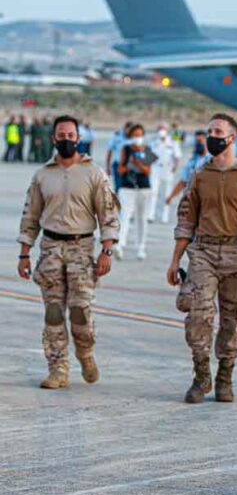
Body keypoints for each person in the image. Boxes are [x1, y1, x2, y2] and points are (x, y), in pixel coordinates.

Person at [166, 112, 237, 404]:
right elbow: (186, 220)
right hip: (203, 252)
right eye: (209, 131)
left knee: (232, 318)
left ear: (232, 137)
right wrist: (176, 260)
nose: (212, 136)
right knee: (199, 315)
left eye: (218, 131)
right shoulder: (200, 175)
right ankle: (201, 375)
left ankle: (225, 375)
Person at [17, 115, 119, 389]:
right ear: (54, 138)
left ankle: (85, 354)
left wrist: (107, 250)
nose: (66, 140)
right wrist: (24, 254)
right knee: (52, 312)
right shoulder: (42, 175)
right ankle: (58, 369)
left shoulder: (94, 173)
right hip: (50, 249)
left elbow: (108, 214)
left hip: (82, 249)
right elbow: (30, 217)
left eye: (70, 135)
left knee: (79, 312)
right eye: (61, 135)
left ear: (79, 138)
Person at [116, 124, 153, 261]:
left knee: (142, 218)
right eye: (134, 135)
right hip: (127, 187)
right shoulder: (125, 149)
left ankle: (141, 247)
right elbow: (120, 170)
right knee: (124, 215)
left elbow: (148, 171)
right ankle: (119, 245)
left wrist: (137, 163)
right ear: (130, 137)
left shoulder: (148, 149)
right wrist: (128, 164)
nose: (137, 138)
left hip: (143, 188)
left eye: (139, 135)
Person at [148, 123, 182, 224]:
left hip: (168, 169)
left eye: (163, 128)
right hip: (155, 168)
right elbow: (149, 155)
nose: (161, 130)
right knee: (153, 192)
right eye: (160, 128)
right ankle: (150, 215)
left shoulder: (173, 142)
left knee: (167, 193)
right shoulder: (153, 142)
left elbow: (177, 156)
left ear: (167, 130)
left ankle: (165, 216)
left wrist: (175, 167)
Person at [166, 130, 208, 205]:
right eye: (196, 141)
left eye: (200, 141)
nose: (197, 144)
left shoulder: (212, 160)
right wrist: (171, 197)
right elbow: (183, 181)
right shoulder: (192, 161)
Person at [104, 122, 133, 193]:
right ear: (125, 128)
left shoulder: (134, 137)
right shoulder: (117, 136)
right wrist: (108, 167)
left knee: (129, 188)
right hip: (118, 165)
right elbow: (109, 151)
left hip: (130, 166)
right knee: (119, 187)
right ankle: (118, 202)